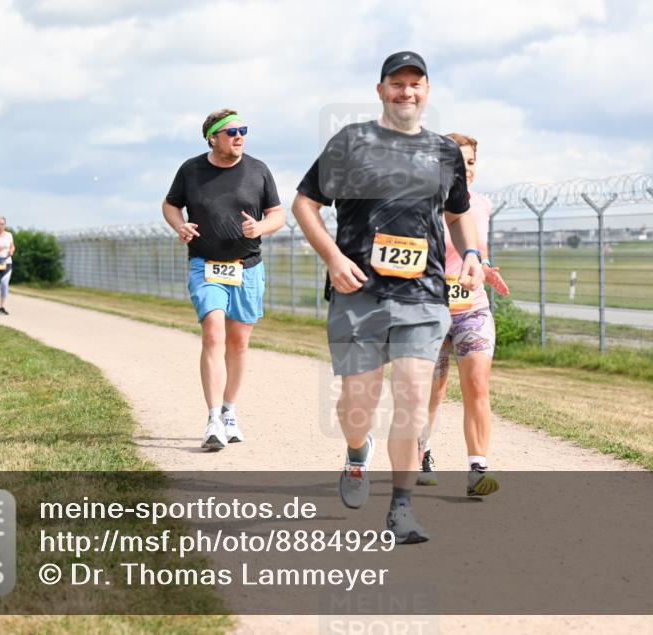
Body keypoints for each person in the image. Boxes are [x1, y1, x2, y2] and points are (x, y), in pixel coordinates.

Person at [293, 52, 484, 543]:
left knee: (414, 397)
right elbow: (305, 204)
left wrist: (472, 254)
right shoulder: (351, 142)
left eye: (415, 84)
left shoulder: (444, 152)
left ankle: (401, 508)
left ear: (428, 91)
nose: (406, 92)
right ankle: (357, 453)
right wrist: (333, 258)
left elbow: (458, 212)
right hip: (358, 291)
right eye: (397, 84)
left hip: (424, 295)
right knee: (358, 403)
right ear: (380, 90)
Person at [163, 108, 285, 451]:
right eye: (231, 132)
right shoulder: (191, 170)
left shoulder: (258, 170)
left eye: (243, 130)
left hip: (248, 267)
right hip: (205, 265)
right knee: (214, 333)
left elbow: (278, 214)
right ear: (212, 138)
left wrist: (260, 227)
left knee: (239, 342)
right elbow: (170, 205)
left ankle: (230, 411)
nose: (239, 136)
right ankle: (213, 418)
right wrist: (180, 225)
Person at [418, 133, 510, 496]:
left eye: (470, 162)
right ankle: (422, 452)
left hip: (472, 306)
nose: (466, 169)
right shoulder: (422, 202)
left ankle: (477, 468)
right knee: (432, 392)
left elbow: (475, 250)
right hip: (429, 308)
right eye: (458, 161)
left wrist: (485, 267)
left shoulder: (482, 204)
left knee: (477, 384)